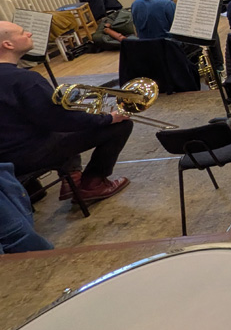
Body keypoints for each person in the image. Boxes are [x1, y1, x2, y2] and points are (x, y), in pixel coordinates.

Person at [0, 22, 132, 202]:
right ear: (8, 45)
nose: (29, 34)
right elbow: (61, 120)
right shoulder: (25, 80)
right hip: (27, 154)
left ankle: (71, 179)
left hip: (5, 156)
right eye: (23, 32)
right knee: (120, 125)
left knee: (66, 122)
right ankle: (93, 184)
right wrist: (108, 118)